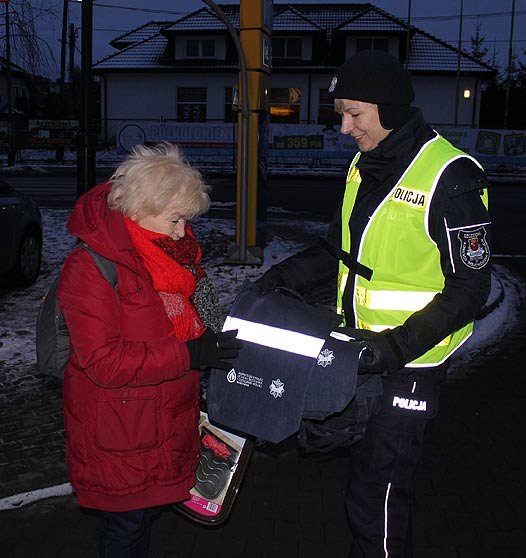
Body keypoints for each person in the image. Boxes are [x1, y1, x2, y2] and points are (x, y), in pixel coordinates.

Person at [256, 50, 491, 557]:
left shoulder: (451, 177)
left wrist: (392, 350)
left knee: (377, 489)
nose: (343, 127)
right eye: (340, 112)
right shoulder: (366, 163)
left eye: (353, 112)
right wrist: (279, 278)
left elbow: (471, 289)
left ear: (388, 108)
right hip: (359, 351)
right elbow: (341, 248)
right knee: (363, 473)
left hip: (412, 362)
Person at [58, 142, 242, 557]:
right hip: (120, 429)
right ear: (138, 210)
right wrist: (190, 355)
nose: (183, 232)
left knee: (143, 521)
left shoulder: (172, 258)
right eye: (175, 220)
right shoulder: (91, 267)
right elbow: (103, 362)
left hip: (161, 420)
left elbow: (194, 318)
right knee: (126, 527)